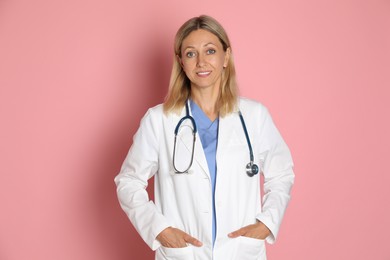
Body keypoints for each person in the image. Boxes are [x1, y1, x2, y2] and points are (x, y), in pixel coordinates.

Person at [115, 15, 294, 260]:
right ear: (181, 61)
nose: (201, 62)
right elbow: (128, 182)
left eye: (210, 51)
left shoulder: (254, 116)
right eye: (190, 54)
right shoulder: (159, 120)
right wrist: (161, 230)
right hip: (184, 254)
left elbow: (282, 174)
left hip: (240, 251)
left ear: (226, 57)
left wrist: (267, 223)